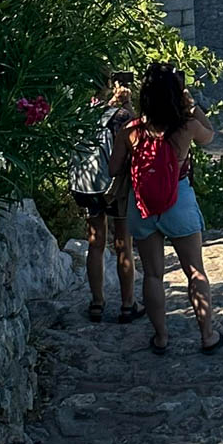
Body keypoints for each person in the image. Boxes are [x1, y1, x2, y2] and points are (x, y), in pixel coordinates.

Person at [109, 62, 223, 356]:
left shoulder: (131, 130)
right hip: (178, 202)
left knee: (152, 275)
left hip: (142, 205)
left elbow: (113, 169)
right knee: (195, 271)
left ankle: (161, 338)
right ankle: (208, 336)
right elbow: (210, 134)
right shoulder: (186, 127)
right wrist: (191, 104)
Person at [72, 75, 141, 324]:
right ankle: (127, 304)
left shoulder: (77, 114)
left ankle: (97, 302)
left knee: (95, 243)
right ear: (110, 85)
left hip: (87, 185)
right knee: (123, 243)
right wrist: (127, 105)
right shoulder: (121, 116)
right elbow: (137, 136)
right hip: (115, 185)